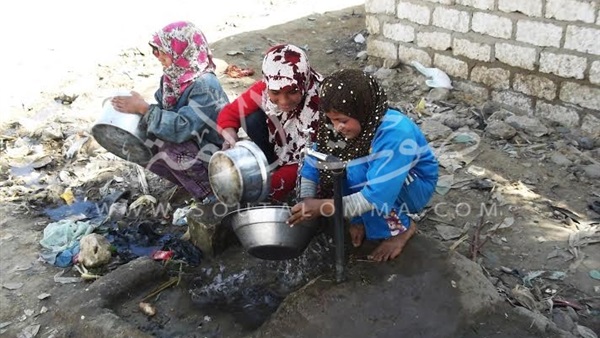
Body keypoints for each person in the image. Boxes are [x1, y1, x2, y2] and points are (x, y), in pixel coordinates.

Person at [287, 69, 439, 262]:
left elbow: (375, 197)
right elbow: (314, 160)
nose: (336, 128)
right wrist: (306, 199)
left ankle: (401, 229)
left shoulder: (395, 134)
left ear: (363, 109)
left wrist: (322, 207)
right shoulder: (343, 124)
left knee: (356, 169)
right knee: (337, 167)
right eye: (331, 120)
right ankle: (362, 219)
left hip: (413, 184)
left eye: (342, 121)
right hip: (376, 176)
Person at [111, 21, 229, 202]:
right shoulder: (171, 79)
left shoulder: (205, 85)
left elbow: (182, 128)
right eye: (155, 50)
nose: (157, 56)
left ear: (183, 49)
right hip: (193, 145)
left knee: (169, 145)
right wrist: (138, 113)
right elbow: (163, 112)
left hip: (216, 151)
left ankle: (210, 193)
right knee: (143, 141)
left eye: (162, 50)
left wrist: (144, 108)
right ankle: (192, 184)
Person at [216, 44, 323, 203]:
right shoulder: (266, 86)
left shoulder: (321, 101)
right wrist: (229, 137)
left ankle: (279, 174)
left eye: (293, 92)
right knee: (250, 118)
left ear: (304, 81)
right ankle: (273, 163)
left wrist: (269, 188)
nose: (283, 101)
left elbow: (310, 159)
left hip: (313, 158)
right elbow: (230, 113)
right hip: (281, 145)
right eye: (275, 93)